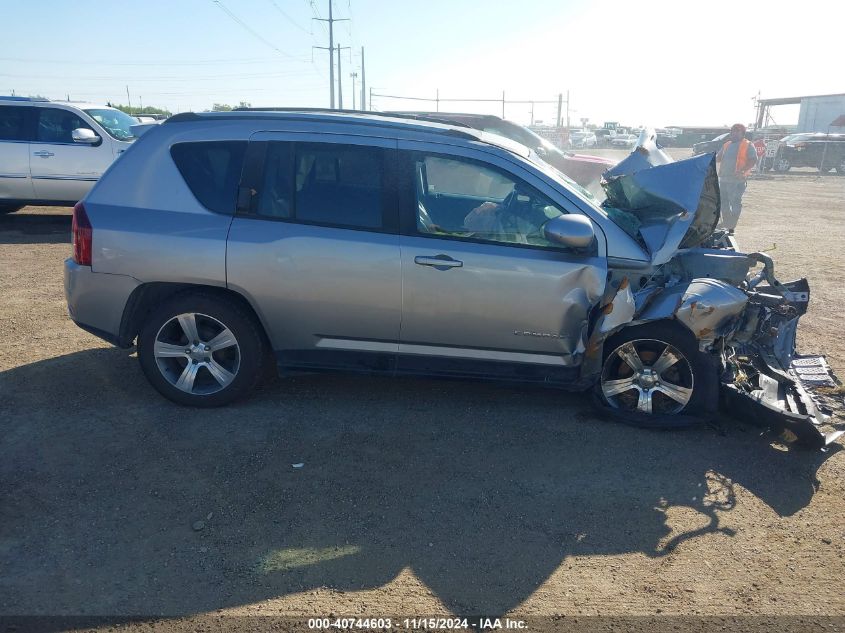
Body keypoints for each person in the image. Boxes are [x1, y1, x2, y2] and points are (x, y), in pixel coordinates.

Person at [715, 123, 757, 234]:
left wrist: (743, 171)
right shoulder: (727, 145)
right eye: (732, 130)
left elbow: (753, 159)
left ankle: (731, 225)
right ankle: (727, 222)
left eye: (736, 131)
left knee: (735, 202)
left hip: (737, 180)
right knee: (724, 202)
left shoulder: (747, 145)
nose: (733, 133)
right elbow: (718, 158)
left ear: (742, 133)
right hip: (724, 179)